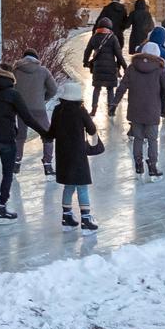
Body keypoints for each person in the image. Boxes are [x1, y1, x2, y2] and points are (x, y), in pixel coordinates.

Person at [0, 63, 48, 221]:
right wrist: (44, 133)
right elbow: (27, 118)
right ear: (10, 76)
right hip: (7, 140)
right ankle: (1, 208)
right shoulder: (13, 94)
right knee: (7, 174)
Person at [110, 42, 165, 179]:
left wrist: (114, 102)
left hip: (135, 110)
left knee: (138, 138)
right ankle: (152, 166)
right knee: (152, 139)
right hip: (152, 111)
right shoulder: (160, 70)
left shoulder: (132, 68)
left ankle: (138, 165)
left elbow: (122, 87)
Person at [46, 81, 98, 230]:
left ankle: (66, 216)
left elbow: (51, 132)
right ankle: (86, 219)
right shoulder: (80, 111)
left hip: (62, 153)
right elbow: (91, 129)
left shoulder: (58, 110)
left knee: (69, 185)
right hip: (78, 153)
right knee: (82, 186)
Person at [11, 50, 60, 177]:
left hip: (21, 109)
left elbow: (10, 90)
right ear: (36, 58)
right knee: (47, 135)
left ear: (23, 58)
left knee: (20, 136)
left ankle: (16, 163)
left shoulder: (15, 71)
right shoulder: (43, 71)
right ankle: (47, 164)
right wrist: (43, 98)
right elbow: (54, 89)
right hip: (39, 108)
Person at [83, 17, 125, 117]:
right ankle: (111, 110)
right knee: (110, 89)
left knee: (97, 88)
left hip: (98, 67)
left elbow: (87, 50)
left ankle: (94, 109)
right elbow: (119, 54)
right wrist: (125, 66)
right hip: (110, 67)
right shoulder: (113, 37)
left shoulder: (94, 37)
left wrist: (85, 62)